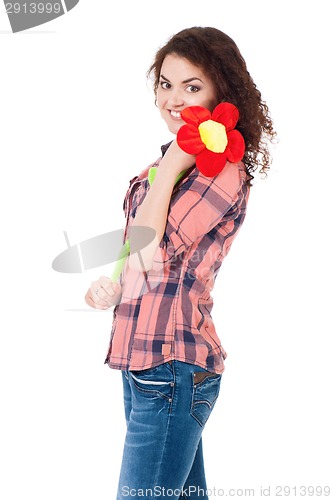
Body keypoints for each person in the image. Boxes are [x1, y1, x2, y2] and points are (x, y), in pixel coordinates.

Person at [85, 26, 276, 499]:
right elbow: (137, 258)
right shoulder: (168, 164)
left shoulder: (221, 170)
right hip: (143, 365)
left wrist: (170, 166)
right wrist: (108, 288)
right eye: (165, 84)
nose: (173, 98)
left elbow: (153, 254)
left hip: (173, 368)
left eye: (192, 86)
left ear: (220, 95)